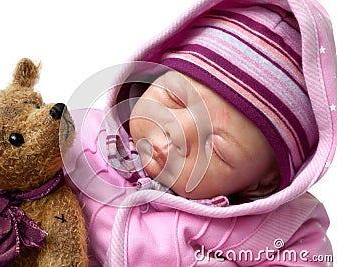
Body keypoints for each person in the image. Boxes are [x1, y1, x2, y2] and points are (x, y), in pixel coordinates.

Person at [64, 0, 336, 266]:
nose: (176, 135)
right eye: (174, 100)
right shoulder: (77, 140)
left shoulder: (277, 227)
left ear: (262, 184)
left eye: (216, 149)